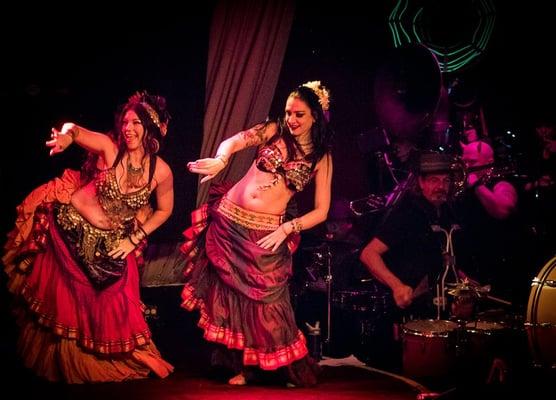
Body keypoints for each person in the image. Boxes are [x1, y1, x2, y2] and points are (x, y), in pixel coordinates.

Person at [3, 91, 174, 383]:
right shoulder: (109, 148)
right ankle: (64, 364)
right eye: (125, 122)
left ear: (151, 129)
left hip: (111, 245)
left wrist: (134, 239)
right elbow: (77, 130)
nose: (128, 129)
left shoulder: (161, 170)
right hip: (69, 231)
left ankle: (88, 363)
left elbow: (165, 210)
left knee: (107, 306)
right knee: (65, 304)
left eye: (136, 123)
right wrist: (67, 137)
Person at [181, 81, 333, 386]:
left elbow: (322, 211)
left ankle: (272, 367)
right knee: (229, 299)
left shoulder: (321, 158)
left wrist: (289, 227)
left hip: (266, 235)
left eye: (299, 114)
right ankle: (237, 366)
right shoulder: (274, 130)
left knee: (268, 303)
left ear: (315, 116)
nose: (292, 119)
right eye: (289, 112)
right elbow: (236, 141)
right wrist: (222, 159)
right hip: (228, 221)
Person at [358, 152, 460, 371]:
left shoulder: (447, 213)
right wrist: (396, 286)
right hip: (408, 313)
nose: (440, 186)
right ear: (421, 183)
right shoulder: (408, 213)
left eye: (445, 180)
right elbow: (369, 254)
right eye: (433, 180)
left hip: (437, 309)